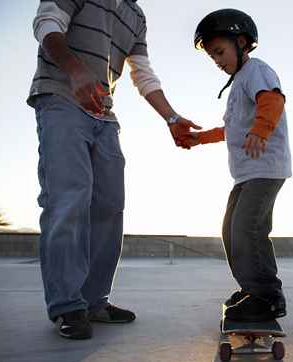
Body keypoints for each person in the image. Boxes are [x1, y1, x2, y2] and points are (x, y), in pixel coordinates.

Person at [28, 0, 200, 340]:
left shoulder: (135, 16)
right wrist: (76, 71)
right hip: (60, 98)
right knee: (68, 199)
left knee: (109, 205)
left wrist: (172, 118)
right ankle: (67, 305)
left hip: (103, 112)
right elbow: (47, 26)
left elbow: (142, 73)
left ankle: (93, 301)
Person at [185, 9, 292, 321]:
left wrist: (261, 130)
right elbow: (231, 130)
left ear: (242, 42)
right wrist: (200, 139)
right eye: (212, 57)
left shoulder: (256, 70)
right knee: (231, 231)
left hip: (266, 168)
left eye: (219, 52)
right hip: (245, 174)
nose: (217, 61)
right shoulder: (238, 84)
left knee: (249, 229)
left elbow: (272, 101)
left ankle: (267, 296)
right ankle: (250, 288)